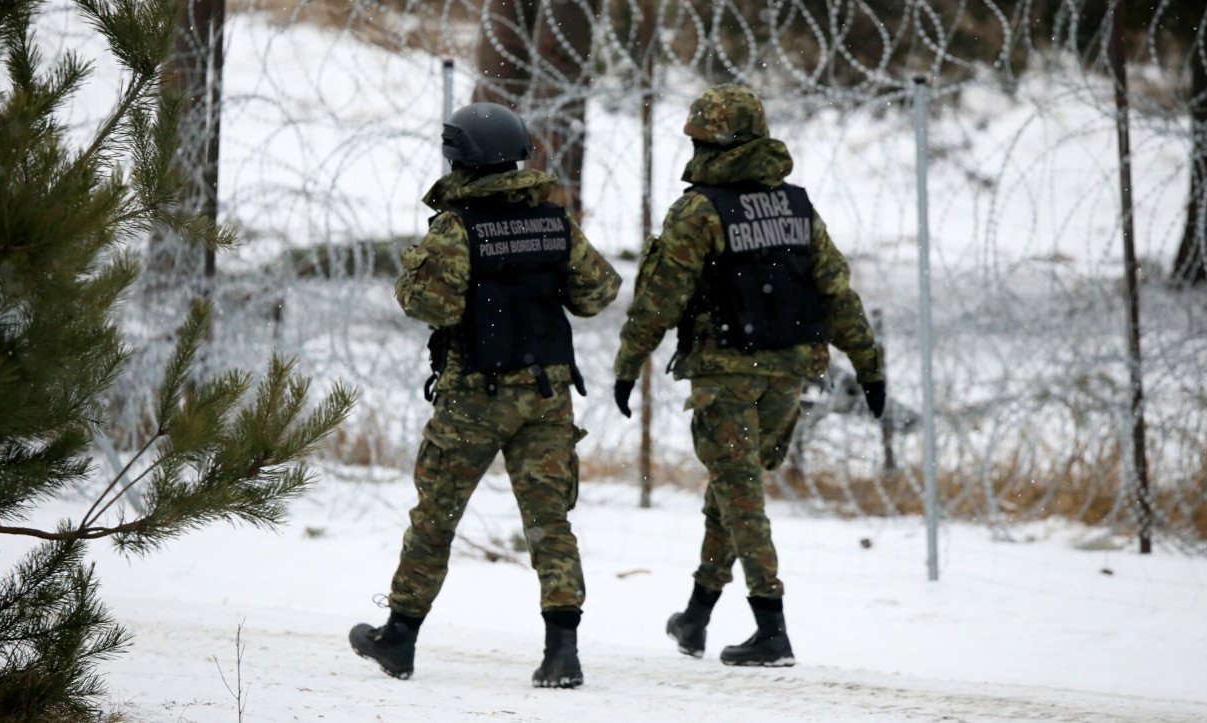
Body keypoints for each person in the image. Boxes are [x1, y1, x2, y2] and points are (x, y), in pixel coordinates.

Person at [612, 84, 885, 666]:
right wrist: (869, 365)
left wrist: (627, 363)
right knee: (732, 491)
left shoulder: (699, 211)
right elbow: (836, 291)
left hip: (725, 371)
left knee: (741, 494)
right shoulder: (795, 206)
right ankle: (697, 615)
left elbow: (657, 300)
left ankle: (771, 627)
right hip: (789, 371)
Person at [349, 102, 621, 688]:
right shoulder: (553, 221)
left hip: (476, 396)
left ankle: (398, 638)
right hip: (547, 393)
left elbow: (432, 306)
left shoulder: (457, 227)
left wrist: (416, 268)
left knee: (436, 518)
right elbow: (598, 293)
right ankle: (562, 652)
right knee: (550, 521)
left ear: (460, 158)